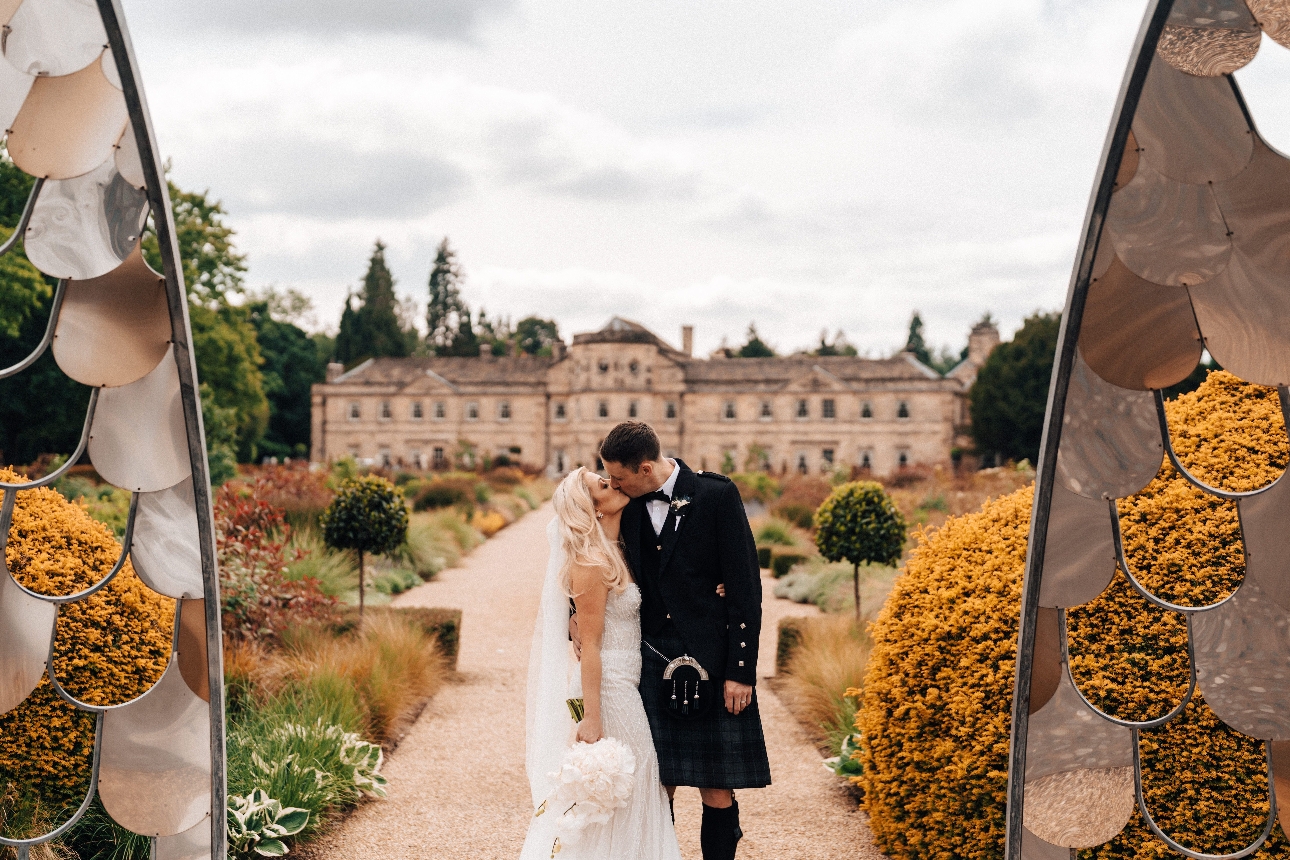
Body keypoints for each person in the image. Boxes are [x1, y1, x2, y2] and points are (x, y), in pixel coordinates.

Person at [580, 421, 771, 860]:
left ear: (645, 467)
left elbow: (745, 588)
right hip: (650, 660)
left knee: (716, 789)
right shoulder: (623, 506)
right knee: (654, 786)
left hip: (712, 658)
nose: (611, 483)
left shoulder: (716, 496)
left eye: (618, 476)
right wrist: (578, 619)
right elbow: (599, 568)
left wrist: (740, 672)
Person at [520, 467, 682, 860]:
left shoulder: (619, 550)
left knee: (636, 787)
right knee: (635, 782)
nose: (612, 482)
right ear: (592, 509)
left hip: (625, 682)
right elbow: (589, 646)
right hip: (607, 686)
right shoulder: (591, 562)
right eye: (601, 484)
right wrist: (590, 717)